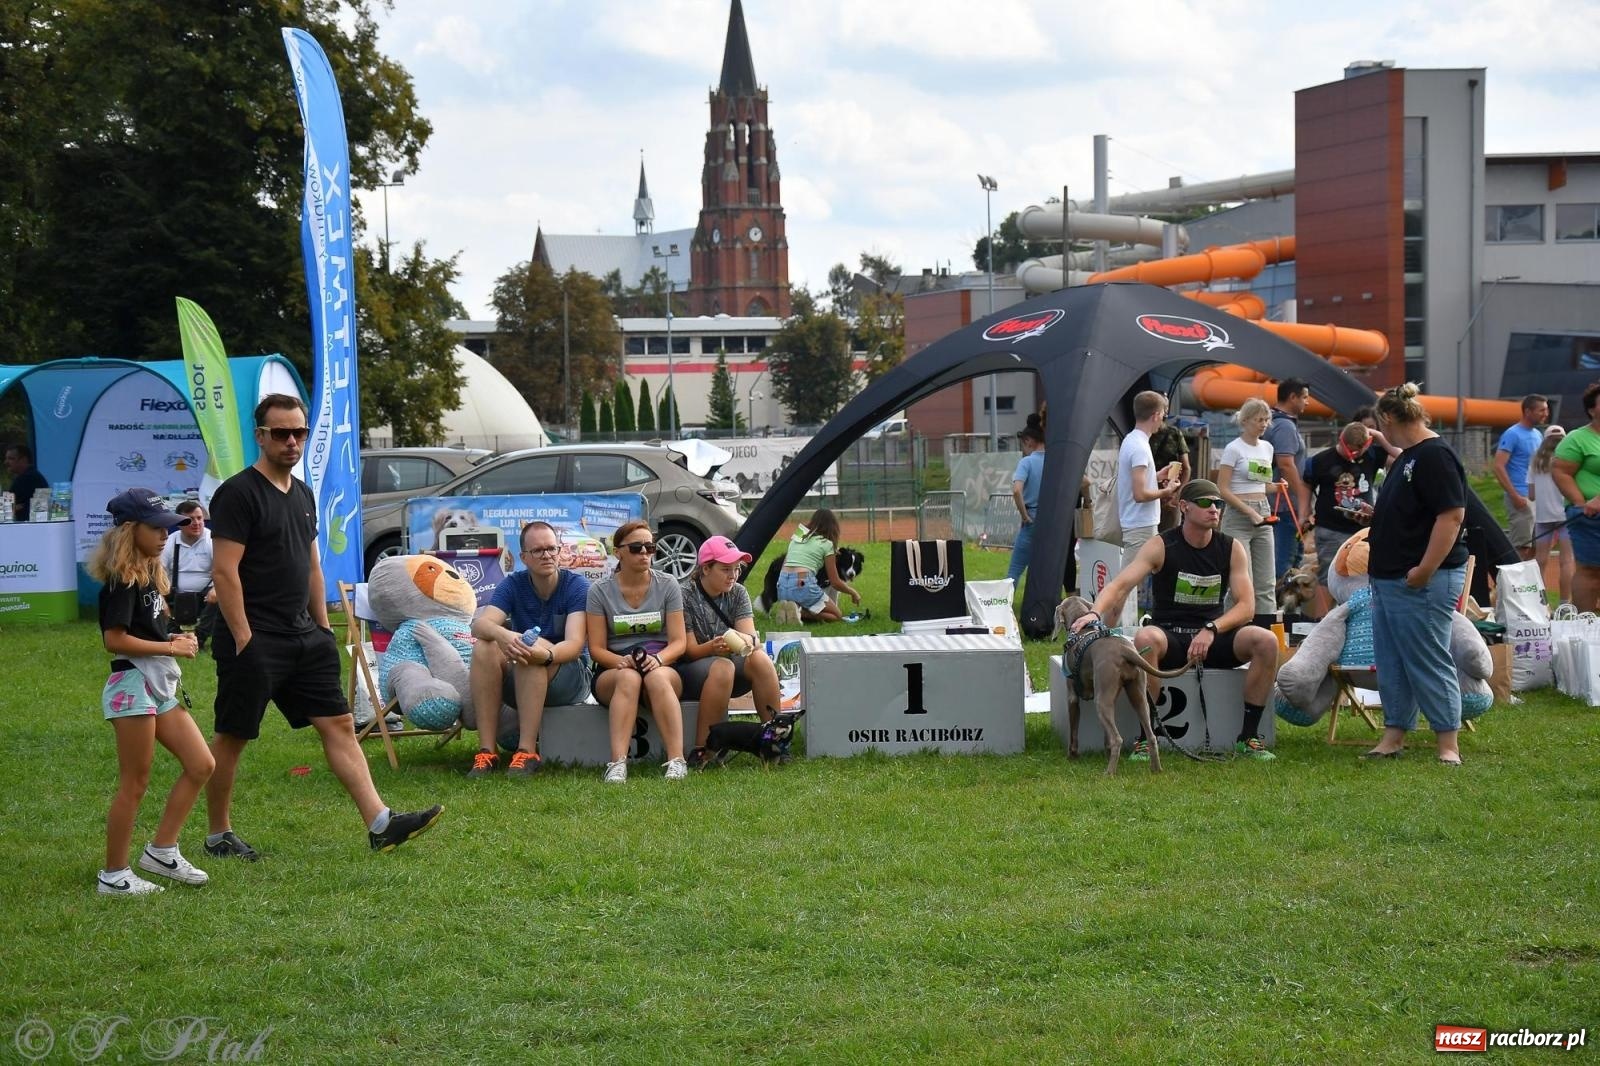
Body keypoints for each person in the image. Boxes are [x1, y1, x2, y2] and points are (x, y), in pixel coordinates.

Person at [205, 394, 442, 858]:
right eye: (281, 433)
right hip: (254, 638)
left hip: (303, 637)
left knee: (338, 725)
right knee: (233, 736)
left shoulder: (303, 492)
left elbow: (312, 565)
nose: (292, 441)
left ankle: (381, 823)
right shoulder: (237, 493)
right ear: (260, 436)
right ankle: (218, 834)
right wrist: (243, 637)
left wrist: (319, 626)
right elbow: (224, 571)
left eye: (299, 432)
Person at [1072, 478, 1281, 761]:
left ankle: (1248, 737)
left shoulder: (1232, 548)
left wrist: (1211, 628)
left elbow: (1247, 606)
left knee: (1266, 641)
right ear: (1184, 507)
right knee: (1145, 639)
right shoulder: (1161, 545)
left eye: (1218, 504)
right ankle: (1148, 738)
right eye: (1206, 503)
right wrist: (1095, 613)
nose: (1214, 510)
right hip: (1170, 636)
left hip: (1211, 636)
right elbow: (1120, 585)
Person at [89, 489, 215, 895]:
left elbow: (149, 630)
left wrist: (172, 635)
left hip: (156, 684)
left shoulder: (146, 573)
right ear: (130, 530)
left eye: (167, 527)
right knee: (135, 782)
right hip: (132, 686)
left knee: (201, 764)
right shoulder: (122, 580)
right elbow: (114, 640)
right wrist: (169, 646)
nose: (166, 534)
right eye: (156, 527)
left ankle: (162, 850)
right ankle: (114, 875)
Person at [1362, 383, 1470, 765]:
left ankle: (1447, 743)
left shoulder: (1435, 456)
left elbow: (1451, 515)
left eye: (1381, 425)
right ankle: (1394, 734)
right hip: (1390, 578)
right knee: (1391, 659)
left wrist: (1426, 569)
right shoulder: (1409, 456)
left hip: (1420, 580)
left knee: (1426, 656)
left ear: (1388, 418)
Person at [464, 519, 592, 778]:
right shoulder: (513, 584)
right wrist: (504, 635)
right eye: (538, 550)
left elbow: (575, 646)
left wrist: (543, 654)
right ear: (523, 557)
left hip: (570, 678)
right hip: (524, 676)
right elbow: (479, 626)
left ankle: (526, 751)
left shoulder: (577, 586)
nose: (547, 555)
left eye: (552, 549)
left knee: (527, 649)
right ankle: (487, 751)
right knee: (484, 647)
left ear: (560, 551)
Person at [586, 520, 689, 782]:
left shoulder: (668, 584)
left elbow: (679, 643)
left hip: (662, 664)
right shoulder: (599, 591)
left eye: (650, 547)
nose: (645, 553)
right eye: (636, 548)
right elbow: (596, 649)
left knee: (656, 677)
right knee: (629, 677)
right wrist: (624, 661)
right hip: (615, 668)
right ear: (618, 552)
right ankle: (617, 763)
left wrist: (658, 659)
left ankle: (677, 760)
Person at [678, 535, 783, 768]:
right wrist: (713, 647)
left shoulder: (738, 592)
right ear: (706, 568)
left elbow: (752, 637)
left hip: (730, 665)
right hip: (693, 669)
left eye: (736, 569)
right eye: (726, 569)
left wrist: (744, 640)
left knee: (760, 659)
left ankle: (774, 740)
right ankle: (704, 751)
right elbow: (688, 651)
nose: (733, 575)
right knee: (723, 667)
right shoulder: (683, 594)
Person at [1215, 398, 1280, 621]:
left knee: (1267, 581)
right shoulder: (1233, 448)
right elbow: (1222, 489)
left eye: (1266, 420)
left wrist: (1276, 487)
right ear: (1245, 421)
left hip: (1263, 510)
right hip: (1238, 516)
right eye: (1258, 420)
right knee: (1241, 582)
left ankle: (1265, 635)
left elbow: (1260, 484)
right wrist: (1249, 512)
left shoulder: (1267, 448)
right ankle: (1232, 634)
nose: (1263, 424)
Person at [1305, 422, 1383, 598]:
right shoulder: (1321, 460)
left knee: (1364, 575)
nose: (1354, 456)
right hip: (1331, 527)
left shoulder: (1372, 455)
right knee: (1327, 576)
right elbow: (1307, 484)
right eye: (1351, 451)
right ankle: (1322, 620)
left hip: (1363, 529)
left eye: (1359, 452)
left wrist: (1377, 435)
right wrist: (1304, 512)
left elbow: (1399, 455)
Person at [1116, 391, 1181, 571]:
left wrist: (1157, 476)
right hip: (1140, 524)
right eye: (1163, 415)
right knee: (1127, 585)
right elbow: (1140, 494)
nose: (1163, 420)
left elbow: (1133, 481)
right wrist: (1166, 492)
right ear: (1155, 415)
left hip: (1137, 522)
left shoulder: (1132, 440)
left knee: (1131, 583)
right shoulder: (1140, 447)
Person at [1552, 382, 1600, 614]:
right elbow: (1560, 472)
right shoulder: (1578, 439)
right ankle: (1587, 625)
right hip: (1591, 517)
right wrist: (1581, 503)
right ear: (1592, 410)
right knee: (1590, 570)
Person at [1263, 378, 1313, 579]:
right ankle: (1279, 607)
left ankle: (1285, 607)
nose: (1307, 402)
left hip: (1282, 503)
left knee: (1292, 557)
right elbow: (1285, 463)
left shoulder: (1275, 421)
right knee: (1286, 562)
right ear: (1292, 397)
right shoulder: (1284, 426)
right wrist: (1303, 498)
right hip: (1285, 505)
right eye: (1304, 397)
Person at [775, 508, 860, 623]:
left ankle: (790, 610)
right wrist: (853, 592)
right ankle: (799, 612)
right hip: (803, 582)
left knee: (804, 597)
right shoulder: (827, 544)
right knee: (836, 615)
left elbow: (786, 561)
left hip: (782, 584)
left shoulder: (799, 534)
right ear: (833, 527)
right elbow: (835, 582)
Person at [1492, 394, 1549, 559]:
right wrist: (1515, 495)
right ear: (1528, 411)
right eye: (1542, 410)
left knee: (1536, 547)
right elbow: (1498, 466)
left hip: (1537, 497)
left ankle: (1529, 584)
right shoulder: (1512, 434)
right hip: (1521, 497)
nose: (1546, 414)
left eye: (1546, 410)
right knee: (1521, 547)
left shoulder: (1538, 434)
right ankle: (1511, 583)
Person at [1529, 425, 1574, 606]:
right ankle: (1565, 603)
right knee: (1567, 561)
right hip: (1565, 516)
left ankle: (1540, 604)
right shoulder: (1568, 460)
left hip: (1543, 516)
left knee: (1540, 561)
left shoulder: (1535, 462)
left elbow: (1531, 495)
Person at [166, 500, 219, 650]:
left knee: (223, 593)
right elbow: (158, 572)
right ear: (178, 523)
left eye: (199, 518)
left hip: (207, 596)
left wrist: (217, 589)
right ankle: (173, 635)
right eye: (190, 519)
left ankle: (199, 639)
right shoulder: (170, 541)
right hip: (175, 595)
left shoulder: (213, 540)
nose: (196, 523)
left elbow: (225, 572)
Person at [1007, 425, 1046, 589]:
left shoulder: (1027, 462)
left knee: (1015, 568)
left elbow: (1017, 490)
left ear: (1029, 441)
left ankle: (1004, 606)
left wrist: (1024, 516)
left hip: (1032, 517)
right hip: (1051, 518)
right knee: (1045, 567)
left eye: (1023, 444)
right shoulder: (1056, 460)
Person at [1149, 416, 1192, 531]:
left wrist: (1176, 496)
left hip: (1162, 494)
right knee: (1170, 539)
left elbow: (1187, 468)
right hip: (1167, 493)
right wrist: (1176, 495)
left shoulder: (1141, 435)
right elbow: (1186, 468)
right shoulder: (1174, 433)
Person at [5, 442, 48, 521]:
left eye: (11, 458)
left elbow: (5, 508)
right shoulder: (36, 476)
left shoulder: (26, 479)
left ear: (23, 460)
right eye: (6, 458)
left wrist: (14, 507)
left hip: (27, 528)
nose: (6, 462)